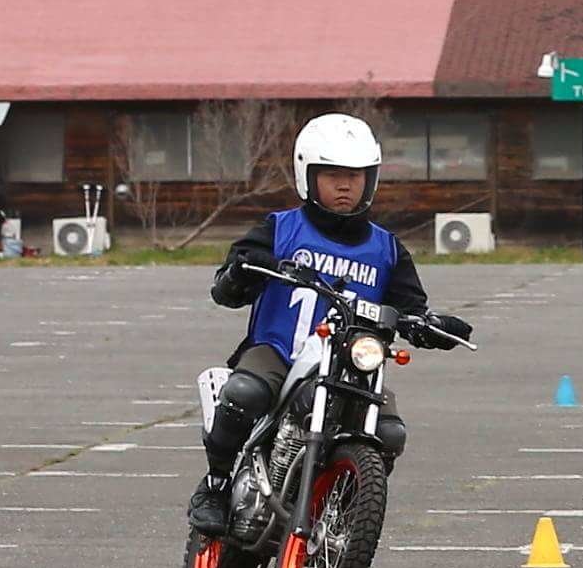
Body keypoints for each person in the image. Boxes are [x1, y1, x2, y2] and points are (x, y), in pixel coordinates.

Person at [190, 113, 457, 536]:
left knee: (389, 432)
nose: (345, 186)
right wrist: (243, 272)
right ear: (307, 176)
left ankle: (343, 509)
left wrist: (429, 324)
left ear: (371, 180)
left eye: (355, 176)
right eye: (333, 176)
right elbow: (227, 288)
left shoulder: (387, 249)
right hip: (279, 350)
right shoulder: (279, 228)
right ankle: (216, 485)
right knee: (244, 393)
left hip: (353, 365)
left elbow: (410, 304)